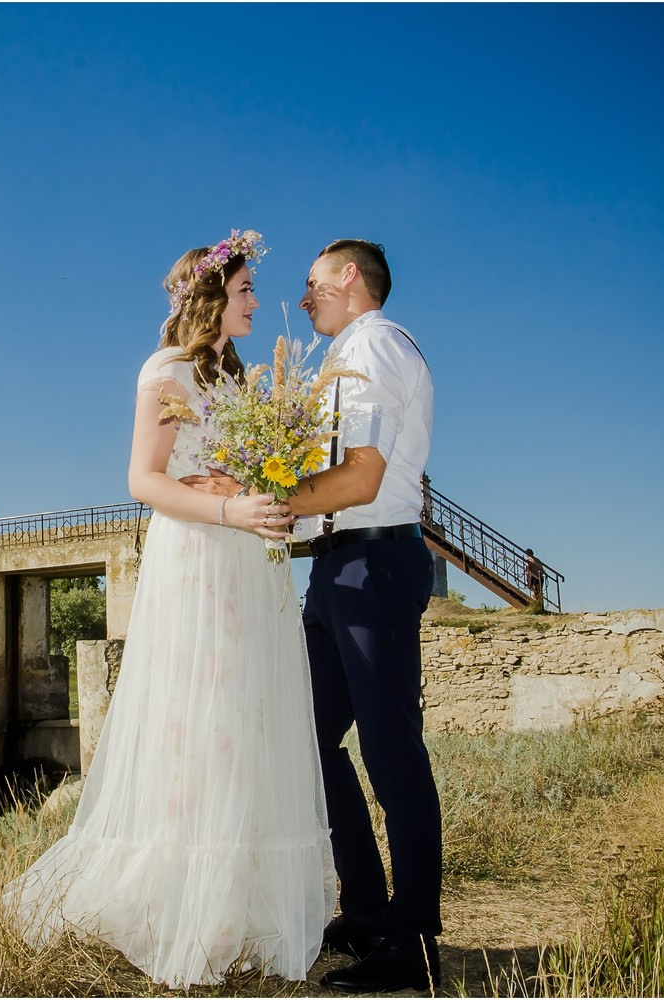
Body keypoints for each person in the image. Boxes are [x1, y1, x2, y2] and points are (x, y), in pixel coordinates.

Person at [1, 231, 337, 989]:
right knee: (203, 724)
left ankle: (241, 909)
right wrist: (228, 511)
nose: (257, 302)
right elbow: (144, 481)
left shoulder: (241, 384)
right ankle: (191, 912)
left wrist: (267, 502)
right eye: (246, 290)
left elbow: (247, 472)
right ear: (211, 298)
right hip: (198, 563)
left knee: (247, 723)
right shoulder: (166, 372)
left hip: (251, 568)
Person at [285, 239, 443, 993]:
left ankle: (413, 942)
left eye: (312, 281)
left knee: (390, 748)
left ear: (349, 276)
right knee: (309, 738)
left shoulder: (375, 347)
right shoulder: (342, 356)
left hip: (374, 564)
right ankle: (367, 910)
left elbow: (362, 476)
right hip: (335, 567)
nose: (303, 295)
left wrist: (269, 501)